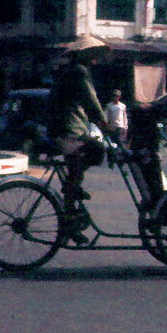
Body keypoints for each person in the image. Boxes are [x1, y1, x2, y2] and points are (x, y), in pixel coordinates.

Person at [48, 35, 109, 243]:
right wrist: (103, 122)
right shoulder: (79, 72)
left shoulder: (68, 71)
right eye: (93, 55)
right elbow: (90, 100)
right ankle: (69, 225)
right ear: (85, 55)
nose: (96, 60)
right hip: (69, 129)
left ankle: (73, 187)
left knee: (96, 151)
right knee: (84, 163)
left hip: (67, 127)